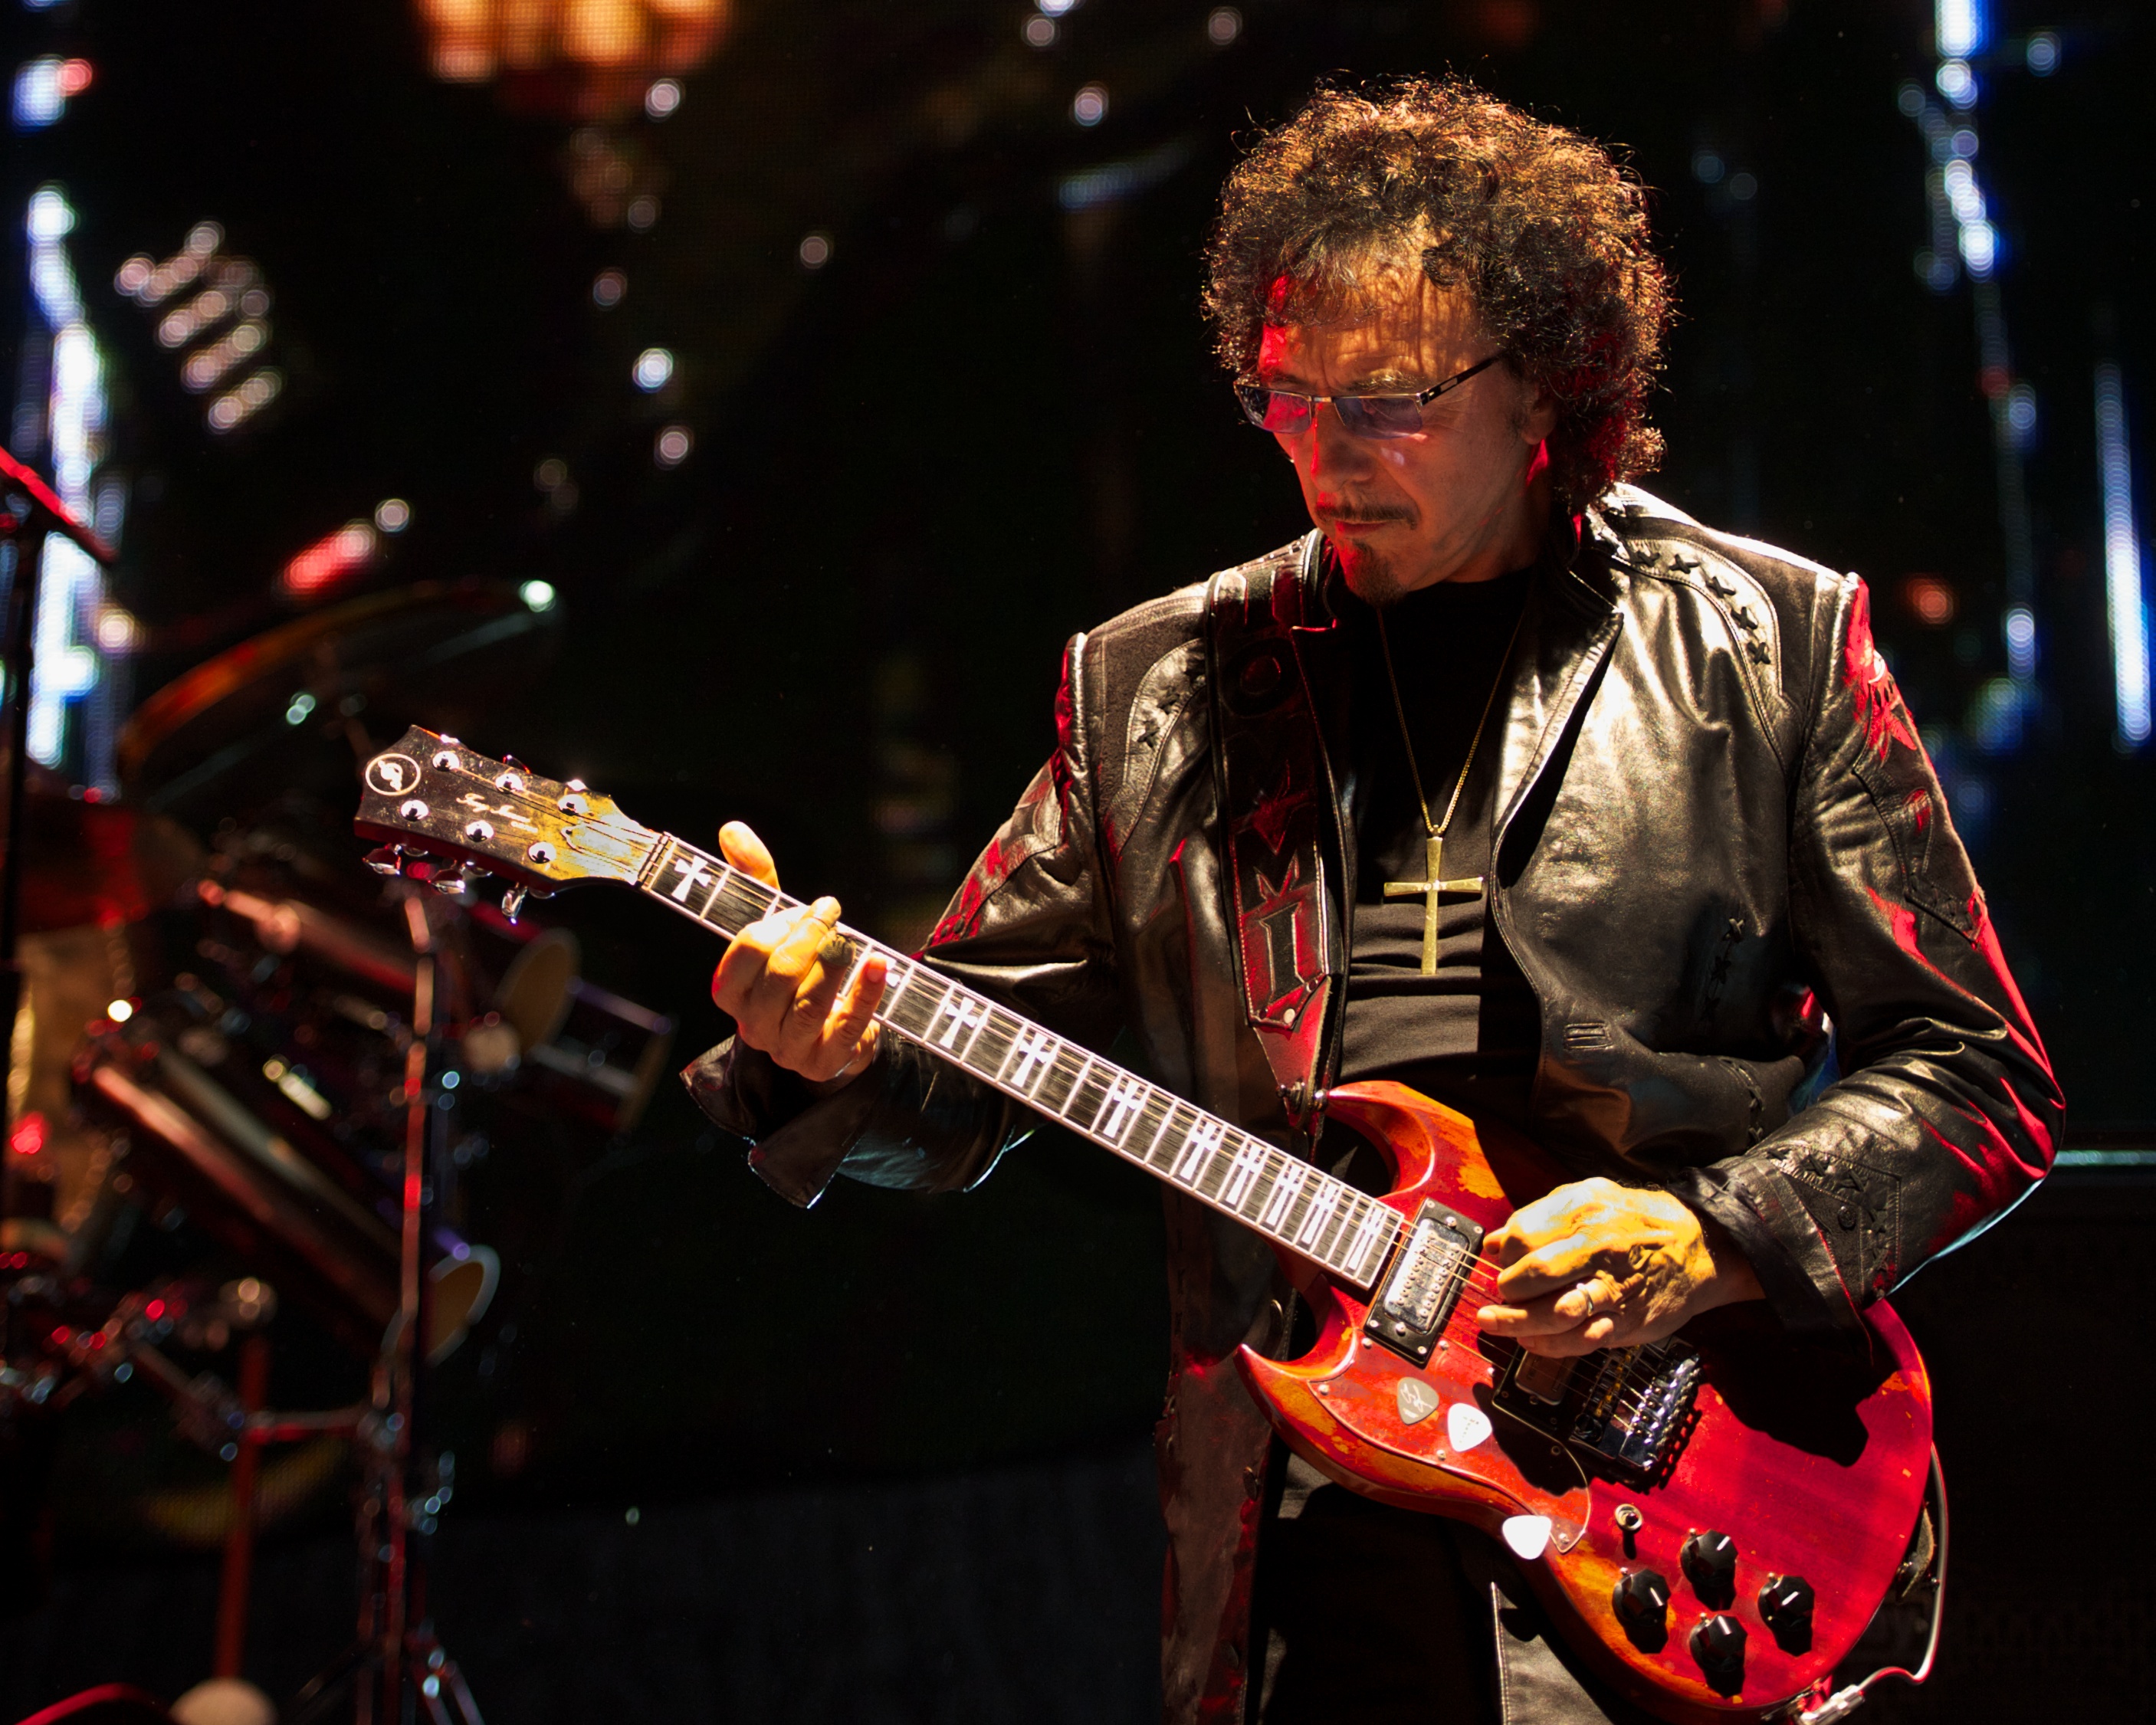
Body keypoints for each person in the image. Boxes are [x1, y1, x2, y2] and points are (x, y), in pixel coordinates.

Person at [683, 78, 2060, 1724]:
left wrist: (1708, 1237)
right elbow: (965, 1074)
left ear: (1547, 377)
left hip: (1665, 1516)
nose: (1327, 455)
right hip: (1304, 1551)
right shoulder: (1162, 687)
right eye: (1285, 396)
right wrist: (823, 1050)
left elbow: (1982, 1079)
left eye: (1392, 400)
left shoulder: (1767, 643)